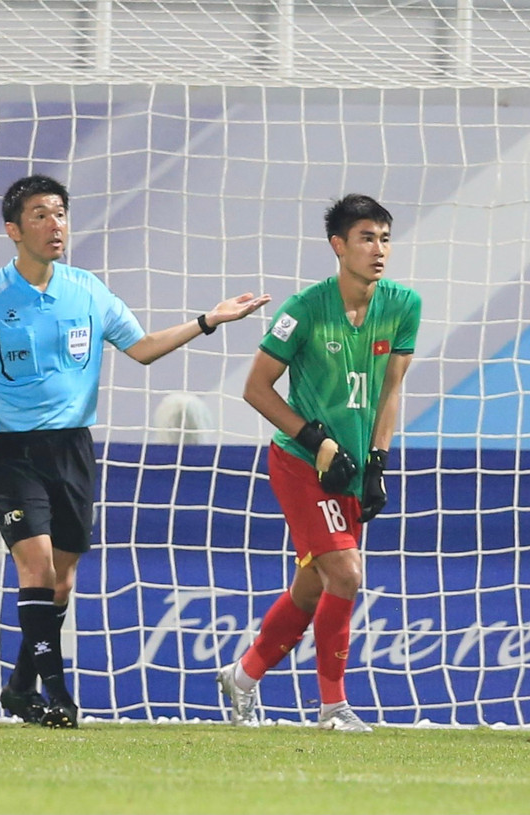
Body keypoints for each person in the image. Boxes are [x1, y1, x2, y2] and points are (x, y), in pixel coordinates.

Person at [0, 174, 270, 728]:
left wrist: (209, 320)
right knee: (36, 565)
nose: (55, 224)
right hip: (11, 450)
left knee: (61, 580)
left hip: (72, 448)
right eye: (41, 215)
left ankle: (19, 687)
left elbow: (141, 349)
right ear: (13, 230)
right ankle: (57, 693)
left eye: (61, 213)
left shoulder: (87, 290)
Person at [217, 193, 421, 732]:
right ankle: (333, 709)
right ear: (339, 246)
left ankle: (242, 677)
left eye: (384, 238)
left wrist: (376, 461)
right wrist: (317, 440)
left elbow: (390, 390)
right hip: (300, 465)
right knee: (347, 574)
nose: (378, 249)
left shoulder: (403, 306)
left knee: (314, 586)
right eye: (366, 238)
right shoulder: (303, 310)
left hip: (350, 469)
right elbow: (256, 390)